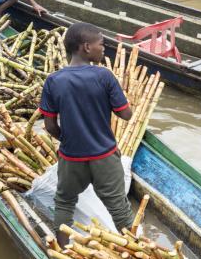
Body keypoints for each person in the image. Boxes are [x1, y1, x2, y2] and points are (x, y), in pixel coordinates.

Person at [39, 22, 134, 244]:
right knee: (119, 207)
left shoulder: (53, 81)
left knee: (64, 202)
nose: (104, 49)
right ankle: (136, 253)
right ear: (86, 47)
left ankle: (63, 250)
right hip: (104, 156)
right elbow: (126, 114)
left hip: (71, 157)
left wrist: (71, 138)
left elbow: (50, 126)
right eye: (101, 44)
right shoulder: (104, 76)